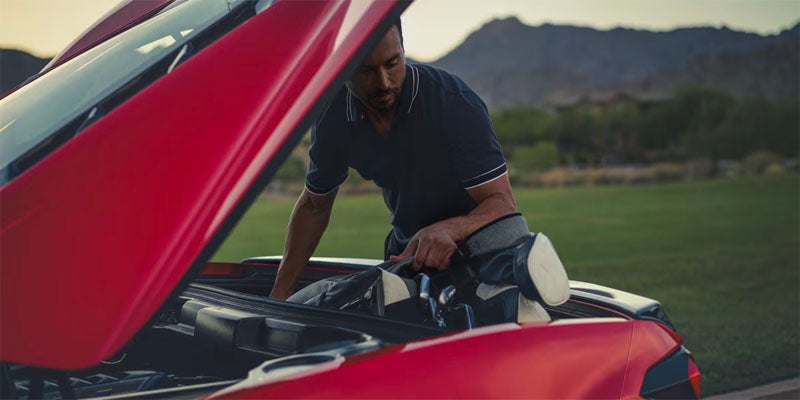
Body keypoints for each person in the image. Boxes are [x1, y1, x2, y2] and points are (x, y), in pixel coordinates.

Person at [269, 20, 517, 300]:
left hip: (479, 254)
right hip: (406, 256)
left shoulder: (453, 103)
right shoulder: (333, 117)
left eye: (392, 63)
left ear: (403, 48)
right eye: (366, 70)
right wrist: (279, 295)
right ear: (342, 67)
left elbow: (502, 204)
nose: (383, 82)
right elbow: (314, 207)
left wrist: (449, 228)